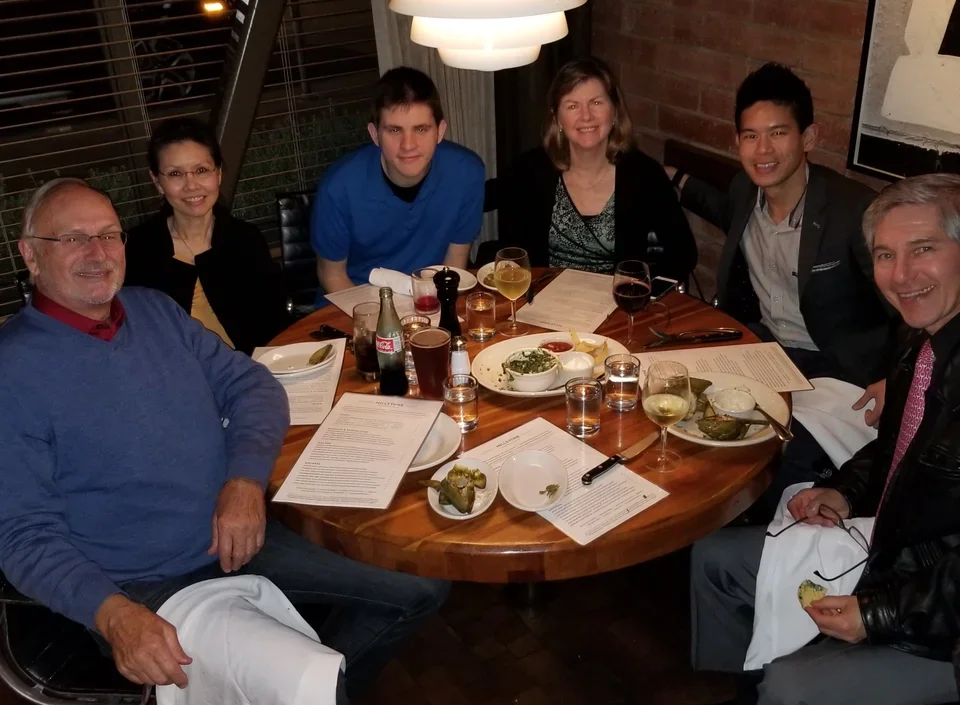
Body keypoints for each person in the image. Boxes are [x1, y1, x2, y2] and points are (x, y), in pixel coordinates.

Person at [0, 178, 450, 705]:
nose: (98, 253)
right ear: (31, 255)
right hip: (141, 584)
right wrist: (114, 615)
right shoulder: (14, 370)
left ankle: (306, 695)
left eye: (109, 235)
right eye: (74, 239)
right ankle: (308, 692)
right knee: (306, 680)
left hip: (239, 533)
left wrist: (244, 481)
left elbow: (252, 384)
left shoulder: (153, 310)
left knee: (422, 584)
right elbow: (21, 535)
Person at [686, 174, 960, 705]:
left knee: (792, 689)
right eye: (885, 254)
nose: (901, 275)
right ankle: (741, 698)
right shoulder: (919, 339)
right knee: (714, 559)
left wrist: (877, 614)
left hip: (941, 623)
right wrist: (843, 490)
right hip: (890, 553)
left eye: (923, 249)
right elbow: (896, 451)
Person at [666, 63, 895, 516]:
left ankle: (758, 556)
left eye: (778, 133)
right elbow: (718, 206)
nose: (763, 150)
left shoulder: (852, 211)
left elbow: (906, 300)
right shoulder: (743, 190)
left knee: (775, 459)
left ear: (808, 138)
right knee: (682, 409)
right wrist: (671, 179)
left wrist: (895, 374)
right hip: (766, 355)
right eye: (750, 136)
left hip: (838, 372)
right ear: (738, 143)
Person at [496, 57, 698, 280]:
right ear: (557, 118)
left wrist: (640, 289)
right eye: (572, 106)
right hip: (544, 304)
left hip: (618, 307)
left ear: (614, 112)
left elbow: (684, 255)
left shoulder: (644, 175)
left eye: (596, 103)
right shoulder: (528, 171)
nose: (586, 116)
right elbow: (513, 257)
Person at [311, 66, 485, 302]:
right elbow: (332, 277)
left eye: (421, 129)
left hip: (429, 302)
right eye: (394, 130)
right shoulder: (339, 187)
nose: (408, 145)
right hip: (357, 305)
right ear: (375, 134)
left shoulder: (467, 173)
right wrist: (385, 325)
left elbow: (454, 263)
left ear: (440, 131)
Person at [125, 117, 290, 355]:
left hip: (251, 372)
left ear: (219, 173)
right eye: (175, 174)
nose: (191, 185)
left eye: (201, 170)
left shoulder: (245, 239)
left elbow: (275, 326)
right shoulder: (139, 248)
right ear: (157, 181)